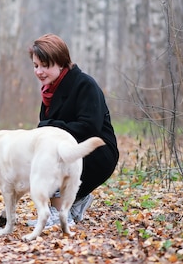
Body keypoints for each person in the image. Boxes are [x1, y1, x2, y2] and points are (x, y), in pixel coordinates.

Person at [28, 33, 118, 227]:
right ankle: (77, 202)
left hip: (98, 153)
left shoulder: (84, 85)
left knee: (50, 158)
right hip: (74, 152)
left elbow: (89, 128)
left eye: (45, 65)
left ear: (61, 63)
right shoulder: (50, 91)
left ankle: (60, 215)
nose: (39, 71)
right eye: (36, 66)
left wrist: (51, 127)